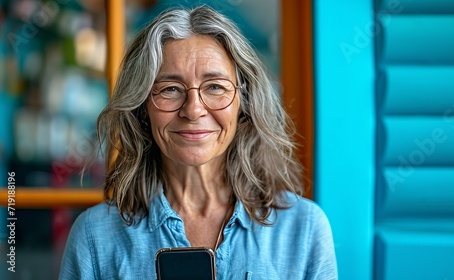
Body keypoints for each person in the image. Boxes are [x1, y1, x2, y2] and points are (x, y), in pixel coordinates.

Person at [59, 5, 337, 280]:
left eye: (215, 87)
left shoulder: (305, 229)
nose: (193, 110)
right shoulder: (94, 236)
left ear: (244, 103)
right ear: (143, 108)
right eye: (170, 89)